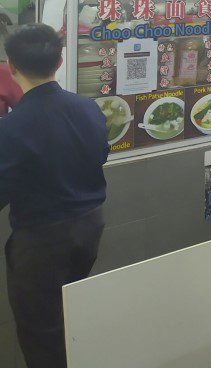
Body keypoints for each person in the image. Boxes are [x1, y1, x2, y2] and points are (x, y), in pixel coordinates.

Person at [0, 24, 108, 368]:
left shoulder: (12, 128)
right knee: (72, 312)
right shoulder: (88, 108)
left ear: (11, 66)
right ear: (60, 62)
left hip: (42, 240)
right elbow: (99, 154)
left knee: (41, 331)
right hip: (90, 225)